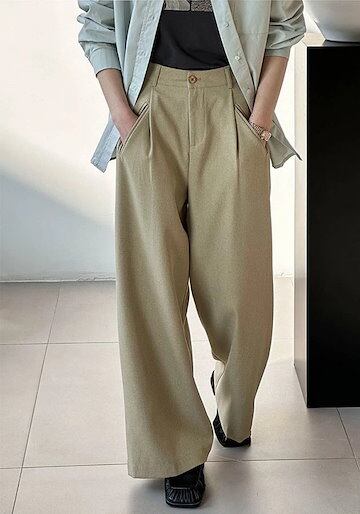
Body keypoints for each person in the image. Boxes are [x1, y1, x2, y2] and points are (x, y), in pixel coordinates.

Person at [77, 0, 306, 508]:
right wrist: (124, 117)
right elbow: (97, 24)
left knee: (242, 294)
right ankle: (175, 448)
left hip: (234, 106)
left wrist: (259, 121)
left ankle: (233, 399)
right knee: (153, 291)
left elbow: (285, 25)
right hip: (149, 106)